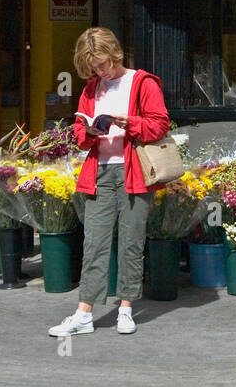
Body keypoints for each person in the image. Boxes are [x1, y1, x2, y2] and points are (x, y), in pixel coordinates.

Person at [48, 27, 169, 336]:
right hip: (99, 172)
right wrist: (89, 132)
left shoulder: (142, 82)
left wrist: (133, 124)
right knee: (95, 244)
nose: (97, 71)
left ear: (115, 53)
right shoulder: (91, 89)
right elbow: (78, 132)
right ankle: (84, 313)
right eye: (92, 67)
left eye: (101, 64)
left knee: (131, 242)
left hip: (134, 172)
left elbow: (160, 124)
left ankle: (126, 308)